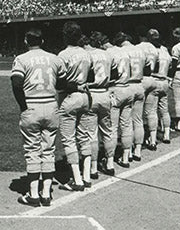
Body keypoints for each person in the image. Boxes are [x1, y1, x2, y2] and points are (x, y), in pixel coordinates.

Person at [10, 28, 61, 206]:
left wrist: (23, 106)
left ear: (26, 41)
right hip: (51, 104)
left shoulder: (22, 59)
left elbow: (16, 84)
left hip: (32, 105)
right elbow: (62, 82)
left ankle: (33, 194)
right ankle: (46, 193)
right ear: (43, 41)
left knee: (32, 151)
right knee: (48, 150)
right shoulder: (54, 58)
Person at [54, 22, 94, 191]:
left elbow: (60, 83)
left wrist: (75, 84)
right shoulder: (86, 53)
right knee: (85, 136)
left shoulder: (63, 55)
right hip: (85, 97)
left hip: (69, 98)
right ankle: (86, 176)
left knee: (69, 139)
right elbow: (91, 76)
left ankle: (76, 179)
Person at [87, 31, 115, 176]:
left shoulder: (89, 55)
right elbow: (115, 74)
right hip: (105, 92)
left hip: (92, 93)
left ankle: (93, 168)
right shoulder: (108, 54)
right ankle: (110, 164)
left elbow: (86, 75)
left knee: (91, 133)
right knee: (107, 131)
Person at [108, 31, 135, 169]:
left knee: (112, 127)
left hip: (117, 88)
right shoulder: (125, 52)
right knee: (126, 125)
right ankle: (126, 156)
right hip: (128, 87)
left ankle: (109, 162)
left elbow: (113, 74)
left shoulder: (110, 53)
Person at [121, 32, 147, 161]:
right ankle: (138, 150)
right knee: (138, 120)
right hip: (139, 84)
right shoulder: (140, 50)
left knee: (127, 122)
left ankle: (128, 151)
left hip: (128, 84)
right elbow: (147, 66)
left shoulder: (122, 51)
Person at [139, 28, 161, 150]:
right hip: (152, 79)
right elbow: (156, 67)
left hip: (141, 79)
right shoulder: (154, 49)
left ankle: (137, 143)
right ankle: (153, 140)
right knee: (152, 112)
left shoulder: (139, 47)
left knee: (137, 115)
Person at [153, 31, 173, 143]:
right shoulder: (165, 51)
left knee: (152, 111)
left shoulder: (153, 51)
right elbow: (170, 66)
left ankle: (153, 136)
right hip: (164, 80)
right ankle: (167, 134)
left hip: (156, 79)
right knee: (164, 110)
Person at [169, 28, 180, 132]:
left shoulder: (176, 47)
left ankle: (179, 124)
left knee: (178, 100)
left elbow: (174, 64)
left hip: (178, 72)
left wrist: (170, 78)